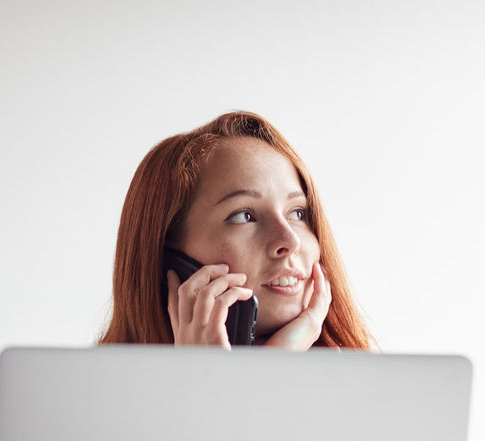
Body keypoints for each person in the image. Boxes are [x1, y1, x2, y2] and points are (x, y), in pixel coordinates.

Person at [99, 111, 372, 350]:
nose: (289, 241)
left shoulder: (362, 391)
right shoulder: (102, 398)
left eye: (298, 213)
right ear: (170, 258)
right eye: (245, 216)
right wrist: (210, 378)